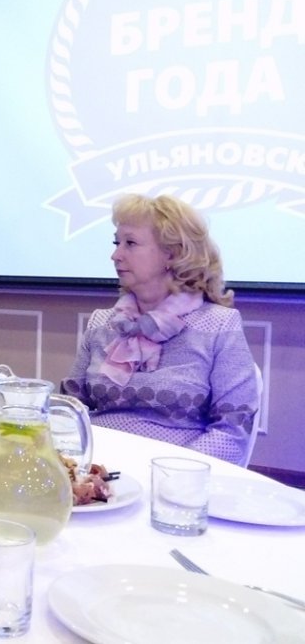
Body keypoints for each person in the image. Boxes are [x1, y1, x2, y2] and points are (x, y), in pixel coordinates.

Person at [62, 194, 257, 465]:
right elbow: (68, 410)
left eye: (130, 243)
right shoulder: (102, 323)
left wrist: (172, 472)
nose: (115, 255)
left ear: (172, 254)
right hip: (97, 469)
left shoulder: (219, 325)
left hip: (172, 477)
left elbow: (233, 430)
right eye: (117, 243)